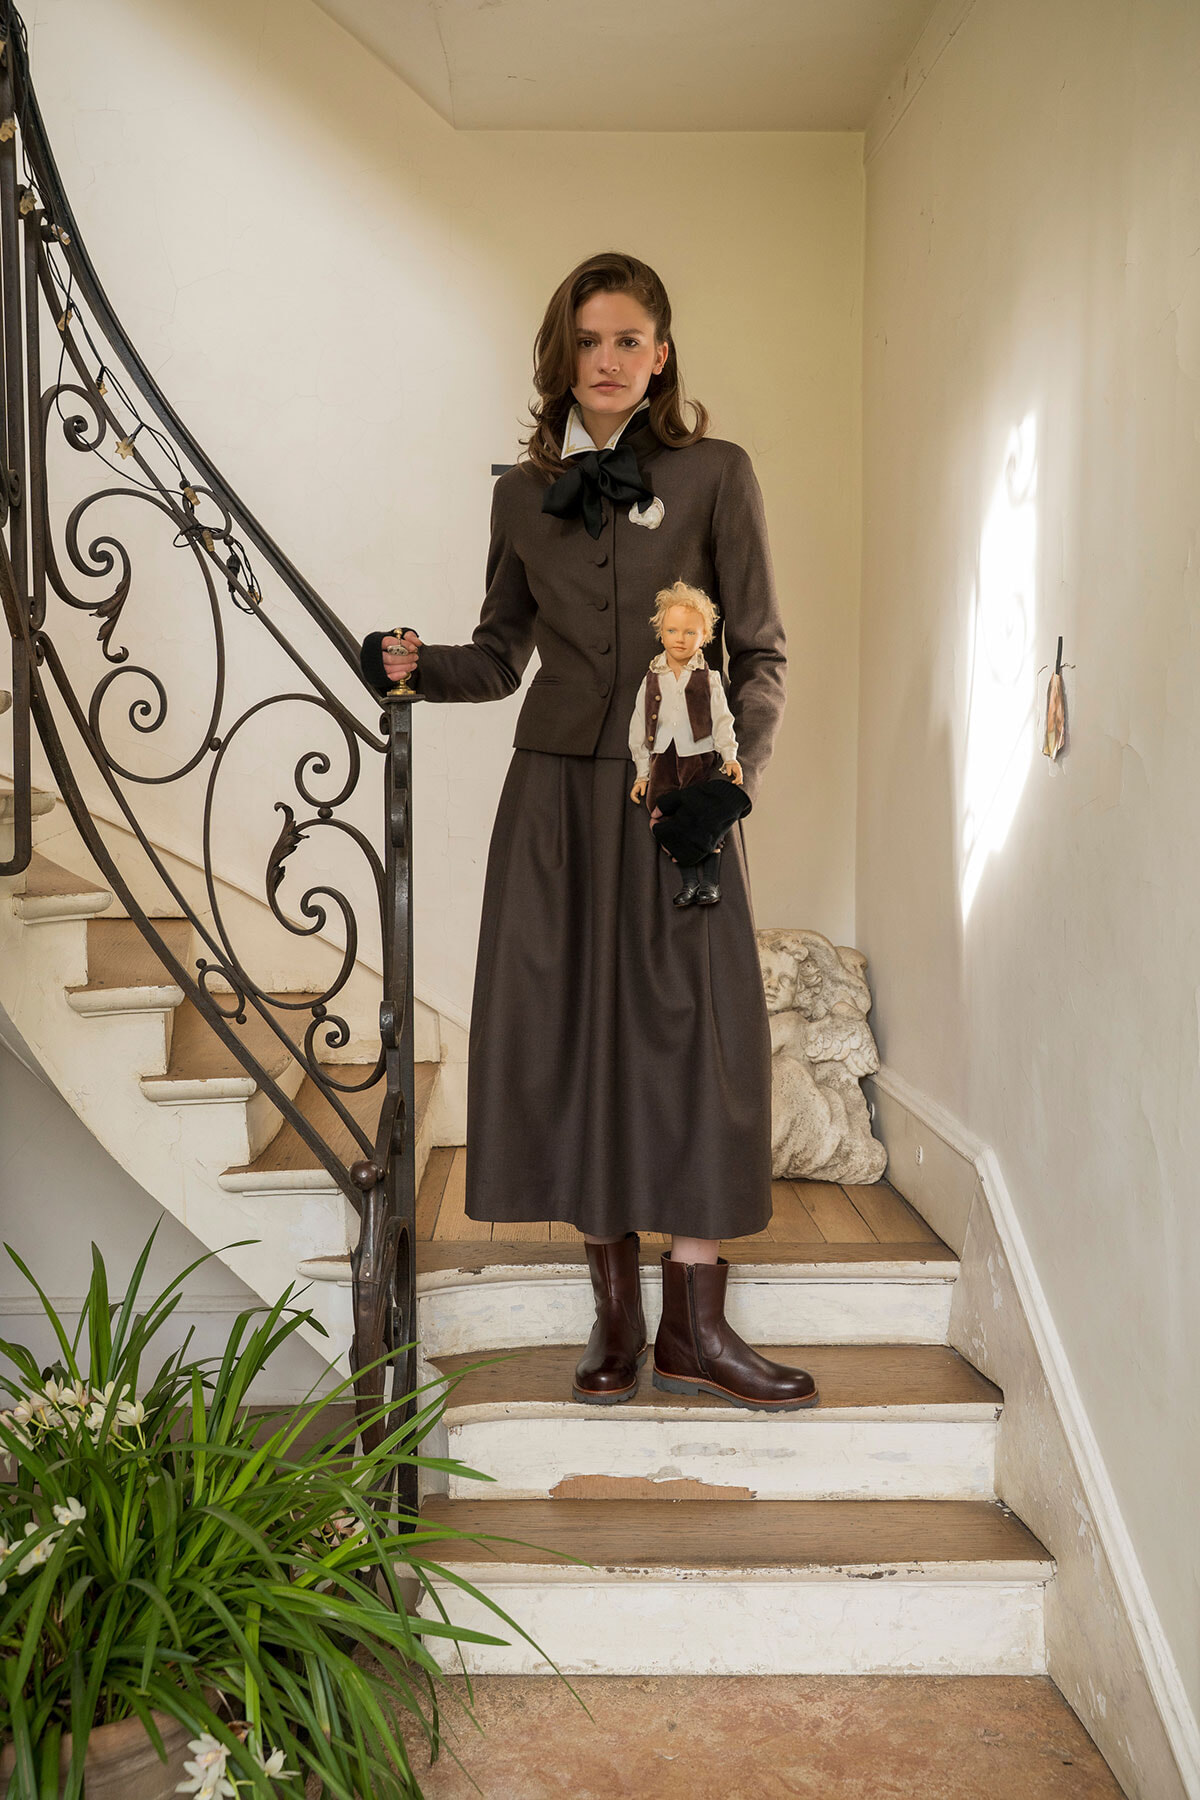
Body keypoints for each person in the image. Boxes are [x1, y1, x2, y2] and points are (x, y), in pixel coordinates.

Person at [362, 251, 817, 1413]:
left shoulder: (718, 474)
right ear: (560, 357)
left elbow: (758, 650)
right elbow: (502, 652)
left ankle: (698, 1321)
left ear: (660, 354)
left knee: (701, 1038)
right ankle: (619, 1318)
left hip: (681, 796)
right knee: (578, 1033)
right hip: (557, 798)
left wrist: (738, 777)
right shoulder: (521, 495)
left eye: (629, 339)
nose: (607, 359)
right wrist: (413, 670)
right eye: (588, 340)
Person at [628, 579, 742, 909]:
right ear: (661, 632)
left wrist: (730, 755)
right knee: (667, 820)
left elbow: (722, 719)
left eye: (690, 632)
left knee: (703, 819)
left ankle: (710, 883)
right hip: (663, 758)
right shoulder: (652, 677)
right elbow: (638, 723)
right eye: (673, 631)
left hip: (697, 759)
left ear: (704, 636)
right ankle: (688, 882)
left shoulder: (709, 678)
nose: (680, 639)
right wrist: (641, 772)